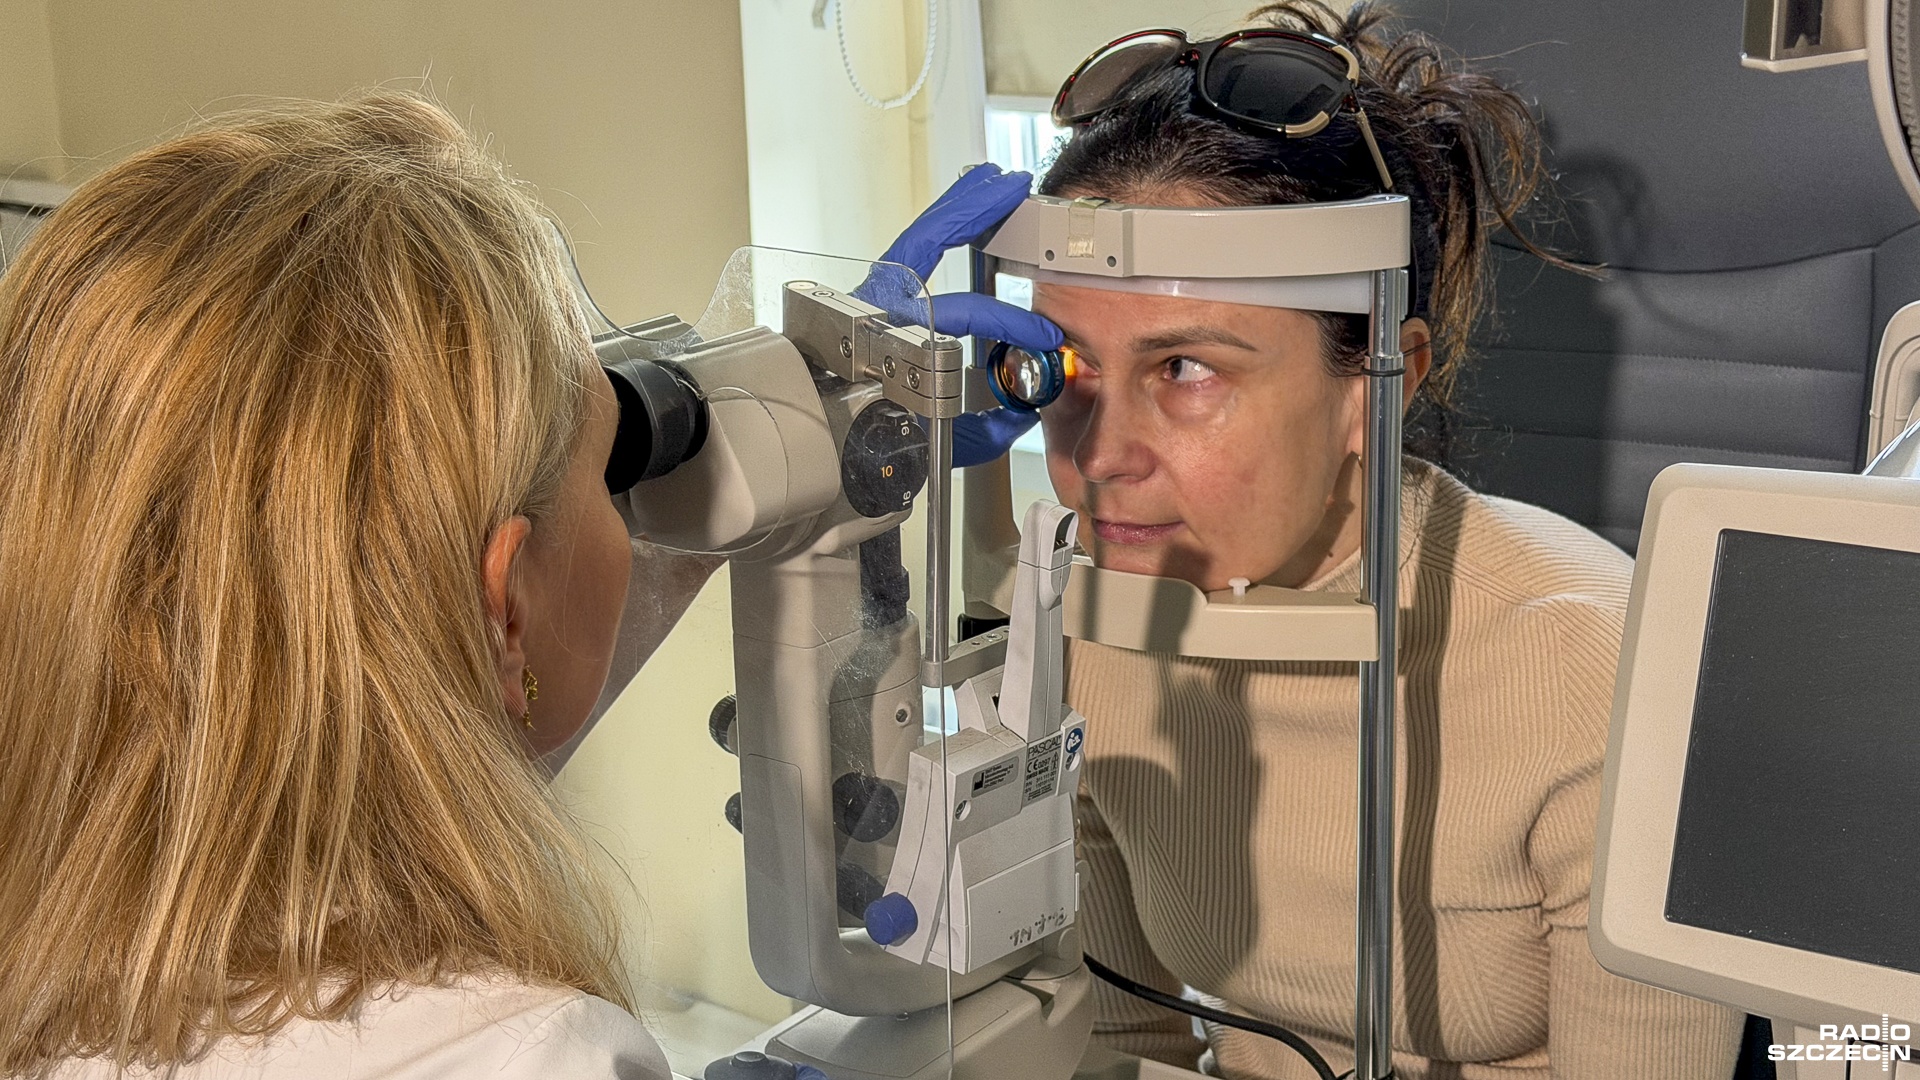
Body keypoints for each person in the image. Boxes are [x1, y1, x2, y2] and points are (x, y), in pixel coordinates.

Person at [1015, 3, 1747, 1077]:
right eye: (1065, 367)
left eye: (1184, 369)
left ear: (1376, 384)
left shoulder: (1598, 671)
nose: (1099, 456)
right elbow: (1127, 1040)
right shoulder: (1084, 619)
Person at [0, 92, 724, 1079]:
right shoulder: (538, 1056)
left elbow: (399, 716)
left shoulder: (52, 977)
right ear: (505, 605)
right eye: (610, 471)